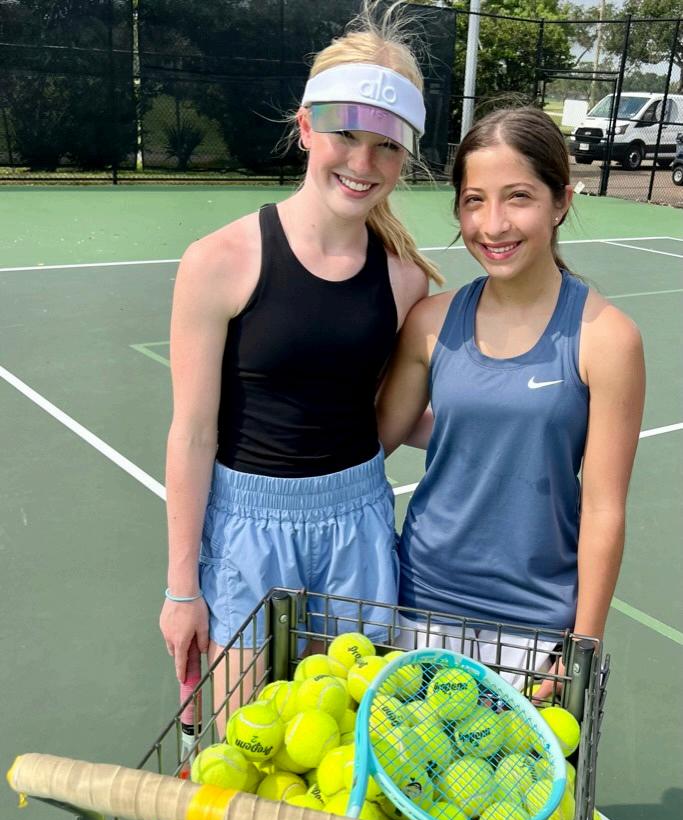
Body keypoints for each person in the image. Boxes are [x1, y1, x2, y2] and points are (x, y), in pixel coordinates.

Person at [159, 4, 444, 702]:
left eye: (387, 146)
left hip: (358, 524)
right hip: (248, 530)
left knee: (347, 736)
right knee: (243, 738)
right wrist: (181, 588)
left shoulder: (405, 279)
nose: (363, 163)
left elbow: (393, 413)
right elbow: (192, 434)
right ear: (306, 126)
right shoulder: (218, 261)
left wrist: (516, 430)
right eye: (346, 134)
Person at [377, 106, 645, 690]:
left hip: (535, 626)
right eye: (474, 200)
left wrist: (582, 644)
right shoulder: (429, 323)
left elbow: (604, 509)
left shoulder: (607, 339)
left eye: (518, 197)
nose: (493, 225)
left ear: (561, 201)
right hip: (418, 603)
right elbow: (371, 444)